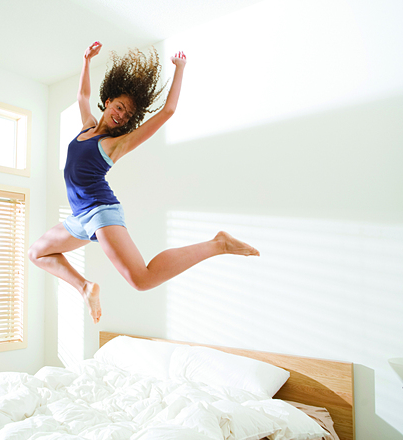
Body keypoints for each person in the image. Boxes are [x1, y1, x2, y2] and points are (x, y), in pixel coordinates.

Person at [29, 42, 259, 324]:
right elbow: (82, 95)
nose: (121, 115)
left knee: (142, 279)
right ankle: (85, 287)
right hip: (80, 216)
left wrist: (180, 69)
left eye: (127, 115)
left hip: (100, 211)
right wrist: (86, 61)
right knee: (37, 252)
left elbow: (168, 111)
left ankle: (218, 244)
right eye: (120, 107)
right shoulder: (88, 126)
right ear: (110, 99)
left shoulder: (116, 144)